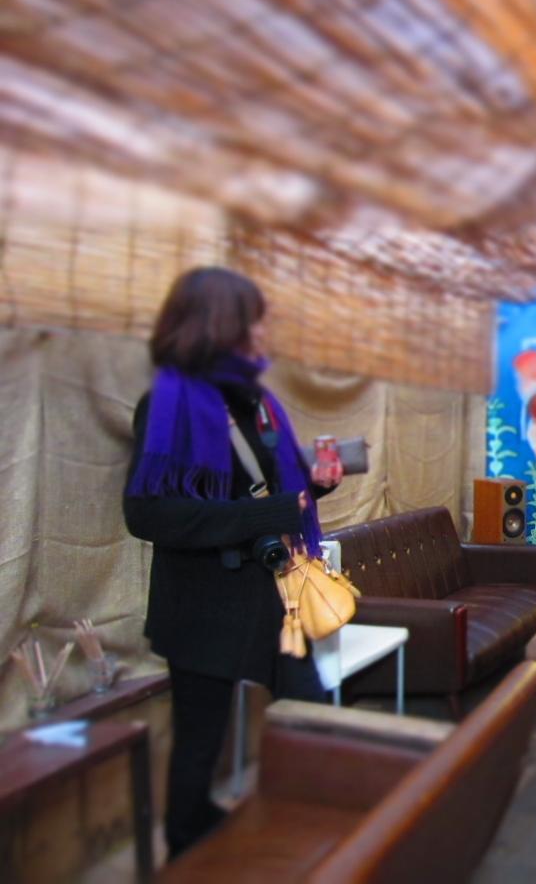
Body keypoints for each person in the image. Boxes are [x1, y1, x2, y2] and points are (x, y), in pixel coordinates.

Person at [122, 267, 342, 859]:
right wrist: (267, 512)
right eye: (256, 320)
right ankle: (189, 847)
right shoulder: (166, 405)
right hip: (201, 606)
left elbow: (268, 488)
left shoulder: (258, 404)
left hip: (270, 596)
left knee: (313, 713)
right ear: (222, 324)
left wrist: (313, 486)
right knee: (200, 742)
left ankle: (318, 840)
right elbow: (147, 514)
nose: (265, 332)